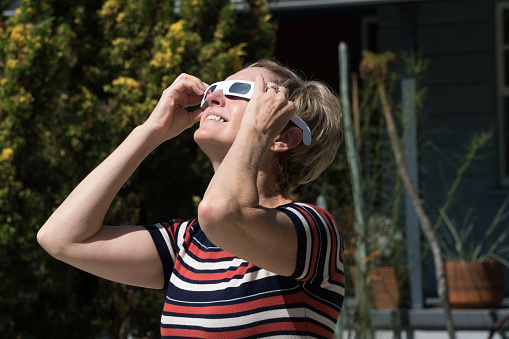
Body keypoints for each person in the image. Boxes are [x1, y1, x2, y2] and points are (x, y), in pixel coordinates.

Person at [37, 59, 345, 338]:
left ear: (284, 137)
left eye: (240, 90)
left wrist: (257, 131)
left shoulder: (313, 230)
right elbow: (62, 238)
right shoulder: (189, 242)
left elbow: (221, 214)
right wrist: (150, 131)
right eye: (214, 88)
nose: (213, 96)